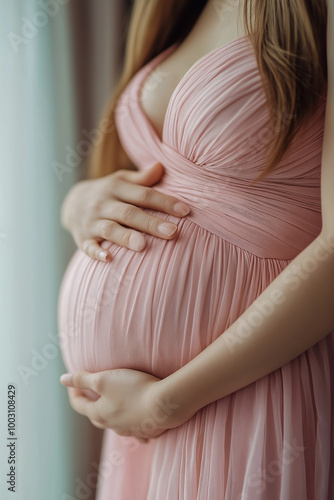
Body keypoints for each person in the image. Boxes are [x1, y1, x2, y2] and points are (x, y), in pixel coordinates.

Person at [58, 0, 334, 498]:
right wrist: (78, 202)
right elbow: (147, 176)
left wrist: (170, 401)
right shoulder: (171, 9)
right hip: (145, 419)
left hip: (251, 386)